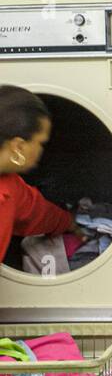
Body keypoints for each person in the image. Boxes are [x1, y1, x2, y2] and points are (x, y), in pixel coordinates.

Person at [0, 86, 79, 258]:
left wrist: (70, 223)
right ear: (18, 146)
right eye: (41, 143)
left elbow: (37, 213)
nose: (42, 150)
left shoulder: (9, 186)